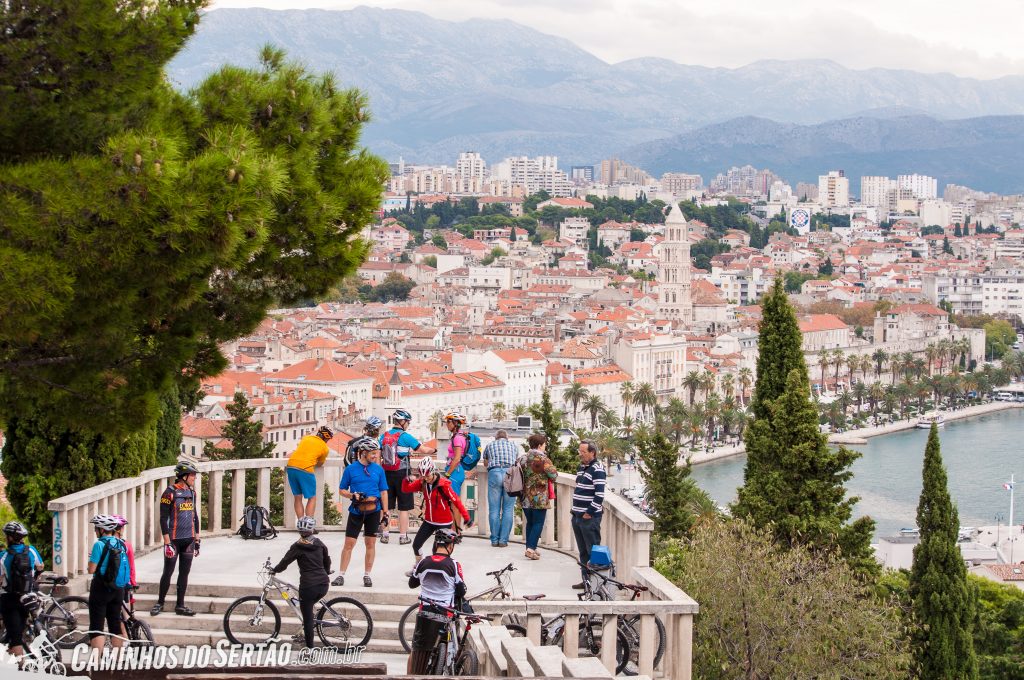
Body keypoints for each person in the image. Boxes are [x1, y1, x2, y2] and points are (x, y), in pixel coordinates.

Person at [405, 529, 467, 675]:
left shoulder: (423, 562)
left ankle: (409, 677)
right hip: (445, 614)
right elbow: (461, 591)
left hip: (425, 612)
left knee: (416, 651)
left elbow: (412, 584)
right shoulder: (454, 565)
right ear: (450, 546)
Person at [333, 437, 388, 588]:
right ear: (363, 453)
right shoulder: (351, 469)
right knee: (349, 543)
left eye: (376, 453)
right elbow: (342, 489)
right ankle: (341, 574)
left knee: (370, 543)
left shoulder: (378, 469)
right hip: (357, 510)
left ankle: (367, 575)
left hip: (374, 511)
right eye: (372, 453)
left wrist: (386, 513)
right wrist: (352, 495)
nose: (376, 456)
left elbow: (383, 492)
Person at [401, 458, 470, 575]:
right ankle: (418, 567)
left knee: (437, 552)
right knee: (416, 545)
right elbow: (405, 489)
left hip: (444, 523)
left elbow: (456, 501)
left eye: (427, 476)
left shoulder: (444, 485)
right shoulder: (422, 482)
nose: (425, 479)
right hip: (429, 521)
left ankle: (439, 573)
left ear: (433, 471)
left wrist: (467, 517)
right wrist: (406, 479)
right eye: (422, 476)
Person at [271, 516, 331, 648]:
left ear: (299, 530)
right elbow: (327, 560)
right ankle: (308, 625)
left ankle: (310, 650)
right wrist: (326, 572)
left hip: (308, 586)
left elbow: (284, 562)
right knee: (308, 608)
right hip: (323, 584)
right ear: (312, 530)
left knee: (307, 619)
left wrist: (274, 570)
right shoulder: (320, 544)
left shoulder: (297, 546)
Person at [379, 409, 435, 545]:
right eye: (408, 422)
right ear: (402, 422)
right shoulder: (405, 436)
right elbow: (423, 450)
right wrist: (435, 450)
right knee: (403, 507)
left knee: (386, 506)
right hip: (402, 474)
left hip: (386, 474)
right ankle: (403, 536)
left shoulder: (383, 436)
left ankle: (384, 535)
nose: (408, 424)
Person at [152, 460, 200, 616]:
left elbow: (195, 516)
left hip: (189, 539)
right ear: (183, 476)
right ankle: (160, 602)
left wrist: (197, 538)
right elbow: (162, 518)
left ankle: (180, 605)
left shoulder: (192, 493)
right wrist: (167, 542)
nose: (194, 478)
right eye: (192, 475)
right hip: (173, 539)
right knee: (168, 572)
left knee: (184, 573)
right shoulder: (169, 492)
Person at [87, 515, 131, 651]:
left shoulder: (99, 545)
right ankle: (117, 660)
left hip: (101, 588)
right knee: (115, 624)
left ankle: (96, 662)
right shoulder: (121, 544)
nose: (95, 531)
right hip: (118, 589)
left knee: (97, 626)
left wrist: (91, 561)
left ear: (101, 529)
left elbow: (91, 569)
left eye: (96, 528)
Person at [0, 521, 44, 657]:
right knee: (17, 632)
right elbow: (40, 566)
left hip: (9, 599)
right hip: (27, 598)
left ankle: (20, 669)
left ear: (10, 538)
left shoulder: (3, 556)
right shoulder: (30, 550)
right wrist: (34, 576)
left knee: (16, 639)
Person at [571, 440, 606, 589]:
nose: (581, 454)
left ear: (592, 453)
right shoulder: (582, 468)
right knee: (583, 551)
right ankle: (586, 581)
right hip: (577, 516)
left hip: (589, 518)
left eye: (583, 452)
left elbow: (599, 495)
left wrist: (589, 512)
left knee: (593, 551)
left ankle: (595, 584)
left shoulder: (598, 469)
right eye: (580, 451)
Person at [519, 434, 557, 560]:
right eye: (544, 444)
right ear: (540, 445)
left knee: (530, 522)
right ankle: (530, 549)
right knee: (538, 523)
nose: (545, 446)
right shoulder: (543, 459)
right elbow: (553, 475)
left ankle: (530, 548)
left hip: (525, 496)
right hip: (539, 497)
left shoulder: (523, 458)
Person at [286, 425, 334, 523]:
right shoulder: (324, 448)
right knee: (312, 498)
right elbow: (320, 463)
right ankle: (308, 526)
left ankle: (300, 524)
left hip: (291, 466)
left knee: (298, 497)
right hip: (305, 469)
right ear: (326, 438)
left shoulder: (306, 438)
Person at [482, 430, 519, 547]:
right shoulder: (514, 446)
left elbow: (486, 462)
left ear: (496, 438)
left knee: (494, 509)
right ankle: (503, 540)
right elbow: (516, 461)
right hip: (510, 474)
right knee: (508, 509)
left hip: (495, 473)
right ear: (507, 437)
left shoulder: (490, 445)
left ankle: (494, 540)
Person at [111, 515, 137, 638]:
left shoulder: (103, 544)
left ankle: (125, 638)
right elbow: (131, 565)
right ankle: (126, 637)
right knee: (125, 611)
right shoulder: (126, 544)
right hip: (125, 582)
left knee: (120, 613)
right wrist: (132, 582)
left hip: (113, 582)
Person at [441, 412, 468, 497]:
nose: (447, 424)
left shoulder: (457, 438)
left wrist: (447, 474)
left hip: (455, 472)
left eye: (449, 421)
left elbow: (457, 459)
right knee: (451, 500)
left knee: (454, 501)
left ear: (455, 423)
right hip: (455, 470)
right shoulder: (458, 436)